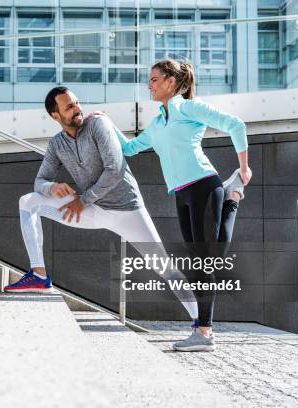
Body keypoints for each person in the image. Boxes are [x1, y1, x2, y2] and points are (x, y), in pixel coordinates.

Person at [4, 86, 199, 323]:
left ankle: (202, 324)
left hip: (128, 210)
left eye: (76, 102)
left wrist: (82, 200)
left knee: (165, 268)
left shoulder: (97, 125)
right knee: (27, 202)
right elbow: (39, 181)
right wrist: (50, 188)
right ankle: (39, 275)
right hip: (94, 211)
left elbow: (115, 169)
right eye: (69, 107)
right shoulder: (56, 145)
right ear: (56, 116)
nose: (77, 109)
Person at [115, 59, 251, 352]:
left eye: (154, 79)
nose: (149, 85)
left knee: (205, 262)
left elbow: (235, 125)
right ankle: (233, 198)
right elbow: (129, 149)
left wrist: (245, 167)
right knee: (206, 258)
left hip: (203, 184)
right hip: (180, 193)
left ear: (172, 82)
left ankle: (203, 333)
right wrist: (105, 124)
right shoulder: (157, 123)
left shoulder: (187, 107)